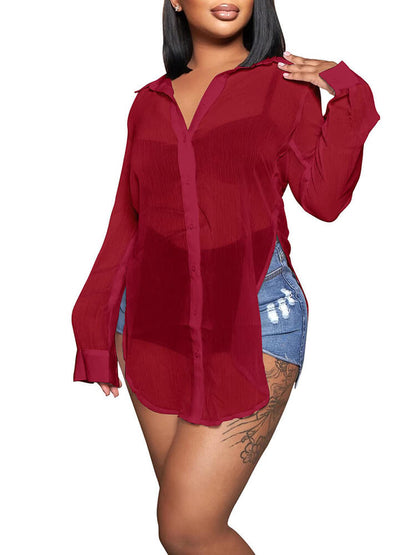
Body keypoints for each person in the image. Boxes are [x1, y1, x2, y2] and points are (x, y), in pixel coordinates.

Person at [71, 1, 380, 551]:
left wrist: (348, 91)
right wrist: (93, 323)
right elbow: (128, 220)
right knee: (183, 532)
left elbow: (325, 198)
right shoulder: (149, 103)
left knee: (189, 527)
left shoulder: (283, 86)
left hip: (254, 317)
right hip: (149, 323)